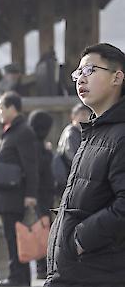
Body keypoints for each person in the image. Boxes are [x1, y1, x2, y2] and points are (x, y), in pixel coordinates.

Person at [46, 43, 125, 287]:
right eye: (78, 73)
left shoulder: (120, 135)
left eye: (90, 70)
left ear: (117, 77)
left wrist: (79, 240)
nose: (81, 78)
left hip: (98, 273)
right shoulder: (95, 131)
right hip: (75, 272)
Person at [0, 91, 39, 287]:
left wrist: (30, 194)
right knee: (11, 237)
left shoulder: (23, 131)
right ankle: (17, 276)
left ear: (12, 108)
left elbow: (30, 165)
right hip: (6, 195)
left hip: (16, 194)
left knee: (16, 238)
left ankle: (19, 278)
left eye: (1, 108)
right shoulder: (10, 130)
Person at [27, 109, 55, 280]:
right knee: (42, 229)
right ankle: (42, 266)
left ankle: (42, 265)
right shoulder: (36, 144)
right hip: (40, 194)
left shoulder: (33, 141)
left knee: (42, 228)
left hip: (41, 193)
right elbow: (38, 168)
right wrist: (48, 153)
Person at [52, 103, 91, 194]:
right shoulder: (71, 133)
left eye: (87, 114)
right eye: (82, 114)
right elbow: (73, 157)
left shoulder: (81, 132)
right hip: (69, 174)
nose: (85, 117)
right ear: (73, 116)